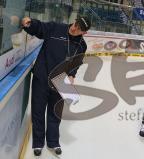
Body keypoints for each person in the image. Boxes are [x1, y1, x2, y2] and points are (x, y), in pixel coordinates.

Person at [22, 16, 91, 156]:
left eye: (79, 29)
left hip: (61, 82)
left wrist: (72, 74)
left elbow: (76, 63)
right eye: (75, 24)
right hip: (42, 76)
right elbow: (40, 28)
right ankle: (38, 143)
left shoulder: (81, 45)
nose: (74, 28)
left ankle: (53, 142)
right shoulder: (55, 28)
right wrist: (29, 23)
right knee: (38, 111)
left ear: (84, 33)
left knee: (55, 113)